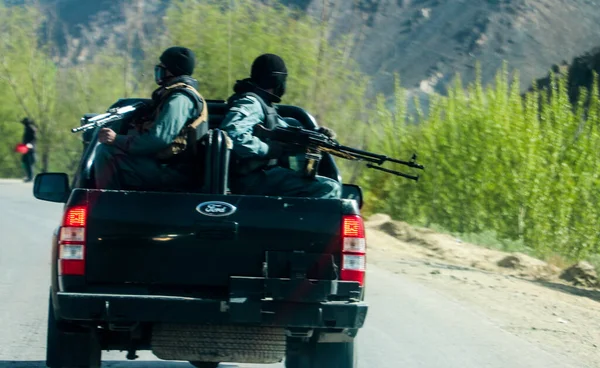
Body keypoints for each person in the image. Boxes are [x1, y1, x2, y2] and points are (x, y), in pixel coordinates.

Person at [220, 53, 341, 199]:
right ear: (277, 80)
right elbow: (231, 134)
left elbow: (284, 129)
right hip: (252, 179)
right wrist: (268, 149)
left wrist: (316, 134)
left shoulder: (264, 104)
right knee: (329, 188)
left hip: (260, 177)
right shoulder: (252, 103)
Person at [93, 46, 208, 190]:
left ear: (172, 70)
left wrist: (117, 140)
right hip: (165, 166)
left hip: (173, 172)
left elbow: (158, 139)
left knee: (107, 152)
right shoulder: (171, 95)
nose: (159, 70)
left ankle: (106, 204)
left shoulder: (180, 99)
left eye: (163, 67)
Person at [20, 117, 37, 182]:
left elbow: (33, 139)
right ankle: (29, 176)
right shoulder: (27, 128)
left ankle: (30, 177)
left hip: (29, 148)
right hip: (26, 148)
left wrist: (29, 145)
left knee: (29, 163)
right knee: (26, 162)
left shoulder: (30, 129)